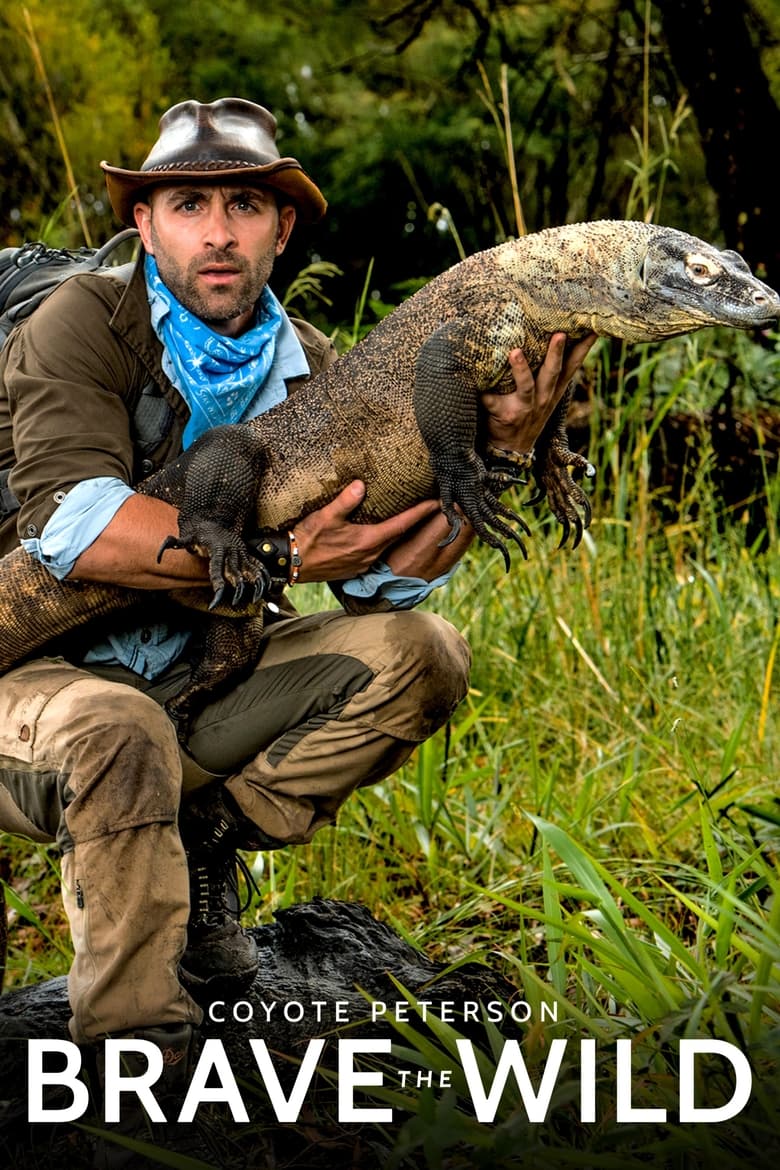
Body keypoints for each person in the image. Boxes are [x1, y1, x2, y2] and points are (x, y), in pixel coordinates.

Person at [0, 99, 595, 1097]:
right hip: (31, 687)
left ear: (283, 229)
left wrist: (494, 451)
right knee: (116, 730)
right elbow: (77, 529)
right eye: (188, 204)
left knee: (421, 652)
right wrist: (276, 557)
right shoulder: (81, 325)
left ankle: (203, 850)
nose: (219, 231)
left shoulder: (315, 369)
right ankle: (136, 1066)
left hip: (194, 678)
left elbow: (378, 573)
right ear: (143, 225)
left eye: (245, 204)